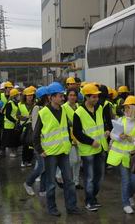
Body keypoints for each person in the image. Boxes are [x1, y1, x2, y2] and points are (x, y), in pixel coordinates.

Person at [33, 82, 83, 216]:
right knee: (51, 184)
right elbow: (35, 134)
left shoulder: (64, 110)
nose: (63, 98)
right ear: (51, 97)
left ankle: (71, 207)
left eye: (63, 96)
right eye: (60, 96)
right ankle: (52, 208)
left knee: (69, 182)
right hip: (50, 154)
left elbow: (68, 126)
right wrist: (39, 150)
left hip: (64, 151)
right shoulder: (43, 113)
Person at [73, 83, 110, 212]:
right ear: (86, 97)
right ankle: (89, 201)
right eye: (93, 97)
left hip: (100, 148)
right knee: (89, 177)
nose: (96, 99)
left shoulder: (99, 108)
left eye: (97, 97)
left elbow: (104, 123)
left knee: (99, 177)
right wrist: (90, 142)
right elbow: (77, 133)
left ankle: (93, 198)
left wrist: (106, 130)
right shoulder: (78, 112)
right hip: (88, 150)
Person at [107, 95, 135, 214]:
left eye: (128, 108)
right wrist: (119, 137)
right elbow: (112, 135)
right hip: (121, 157)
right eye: (125, 108)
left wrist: (131, 139)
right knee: (126, 181)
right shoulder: (121, 120)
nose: (125, 110)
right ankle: (125, 203)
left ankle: (129, 195)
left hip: (134, 157)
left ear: (134, 108)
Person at [24, 86, 49, 197]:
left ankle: (43, 190)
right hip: (39, 142)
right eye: (48, 95)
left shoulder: (47, 107)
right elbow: (35, 127)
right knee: (41, 167)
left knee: (45, 167)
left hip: (48, 142)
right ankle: (28, 183)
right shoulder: (36, 108)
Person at [62, 88, 83, 190]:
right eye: (70, 95)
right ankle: (59, 173)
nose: (72, 97)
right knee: (73, 160)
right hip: (69, 137)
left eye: (74, 95)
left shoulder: (79, 106)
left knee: (78, 160)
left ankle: (76, 181)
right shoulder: (63, 107)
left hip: (80, 136)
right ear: (67, 96)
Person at [19, 87, 35, 167]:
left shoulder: (35, 104)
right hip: (25, 127)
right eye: (28, 95)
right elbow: (17, 116)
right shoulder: (21, 105)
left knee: (31, 145)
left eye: (31, 95)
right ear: (25, 96)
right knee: (25, 145)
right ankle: (23, 160)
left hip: (32, 127)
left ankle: (29, 160)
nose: (30, 97)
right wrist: (26, 117)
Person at [2, 88, 21, 158]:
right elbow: (7, 115)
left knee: (15, 139)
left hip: (14, 125)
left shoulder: (16, 103)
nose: (19, 96)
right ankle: (11, 152)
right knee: (10, 140)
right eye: (17, 95)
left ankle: (14, 151)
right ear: (14, 96)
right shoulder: (9, 104)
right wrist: (15, 121)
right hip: (9, 125)